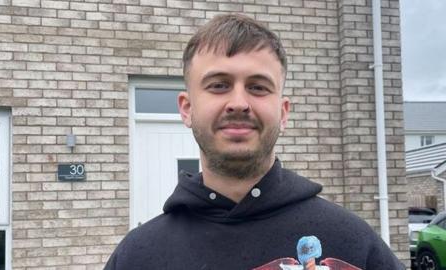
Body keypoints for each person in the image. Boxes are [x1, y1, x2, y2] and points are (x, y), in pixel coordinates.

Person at [104, 14, 405, 270]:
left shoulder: (350, 244)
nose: (238, 103)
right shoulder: (138, 256)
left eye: (258, 87)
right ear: (187, 108)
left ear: (283, 112)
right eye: (219, 85)